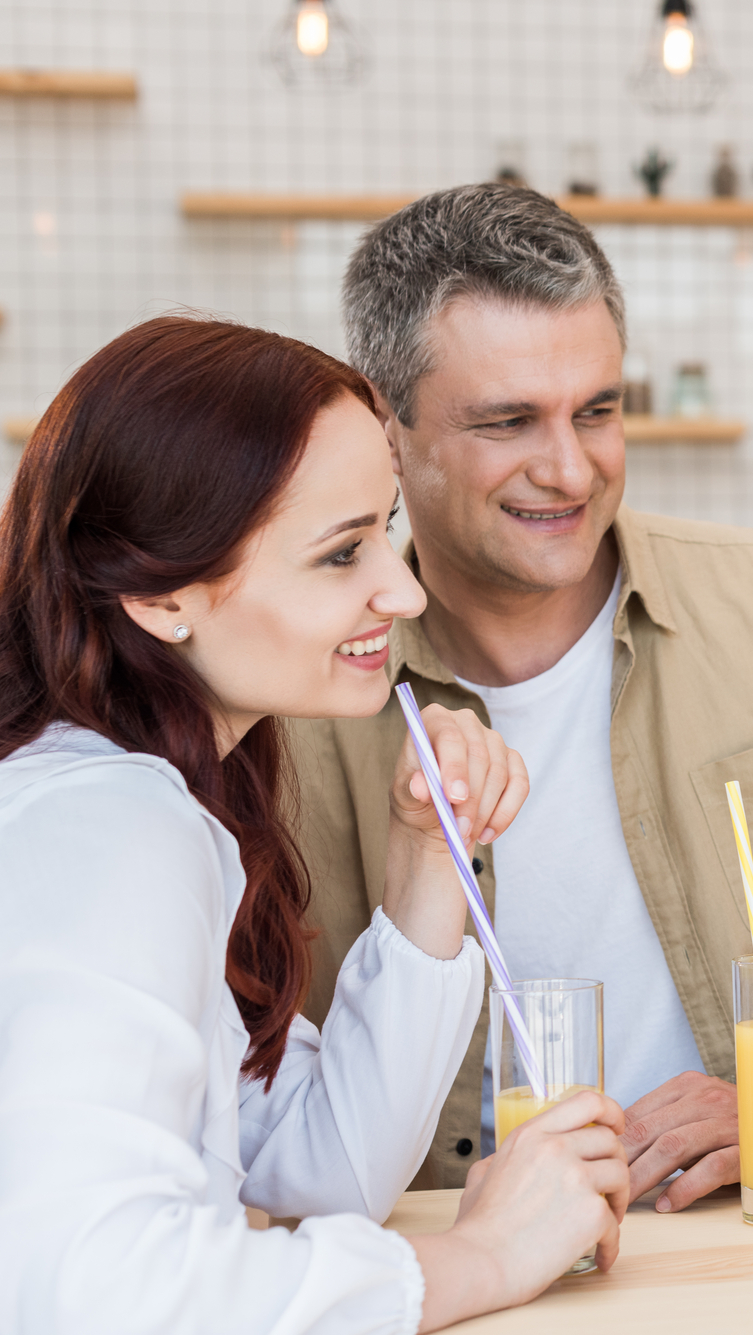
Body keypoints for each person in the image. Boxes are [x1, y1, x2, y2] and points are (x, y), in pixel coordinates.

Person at [289, 183, 753, 1207]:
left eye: (598, 410)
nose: (571, 468)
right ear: (386, 430)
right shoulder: (292, 704)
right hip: (453, 1264)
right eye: (508, 422)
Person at [0, 317, 633, 1333]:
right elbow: (94, 1287)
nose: (403, 587)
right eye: (341, 554)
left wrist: (431, 866)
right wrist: (479, 1258)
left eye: (385, 529)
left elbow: (319, 1165)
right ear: (164, 599)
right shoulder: (108, 830)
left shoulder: (147, 794)